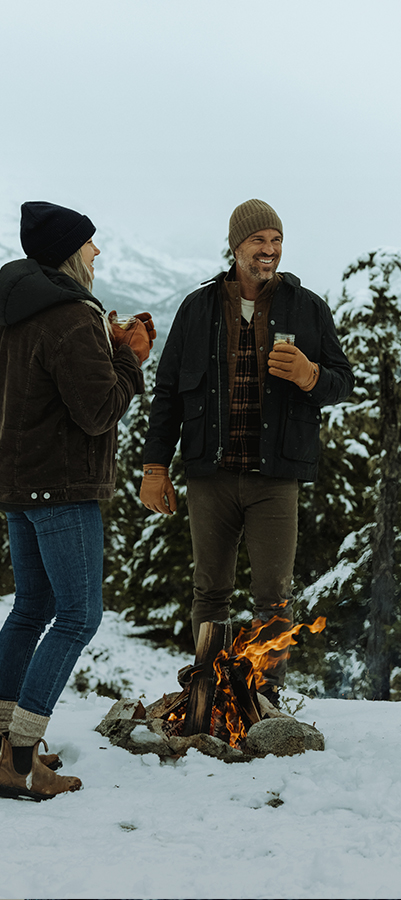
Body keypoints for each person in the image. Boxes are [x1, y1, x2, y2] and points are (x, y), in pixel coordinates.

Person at [141, 199, 354, 706]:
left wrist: (311, 375)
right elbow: (168, 391)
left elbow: (343, 382)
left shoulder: (308, 308)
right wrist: (154, 467)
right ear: (236, 246)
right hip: (210, 474)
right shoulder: (198, 308)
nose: (270, 250)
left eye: (276, 240)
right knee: (210, 591)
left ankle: (262, 699)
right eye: (259, 240)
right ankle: (209, 694)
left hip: (275, 477)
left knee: (272, 597)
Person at [0, 201, 155, 800]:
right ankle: (19, 757)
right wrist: (128, 356)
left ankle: (4, 744)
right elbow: (97, 411)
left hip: (18, 485)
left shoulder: (16, 309)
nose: (97, 254)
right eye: (91, 245)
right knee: (78, 616)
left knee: (30, 609)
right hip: (62, 488)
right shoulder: (70, 314)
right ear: (70, 251)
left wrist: (106, 348)